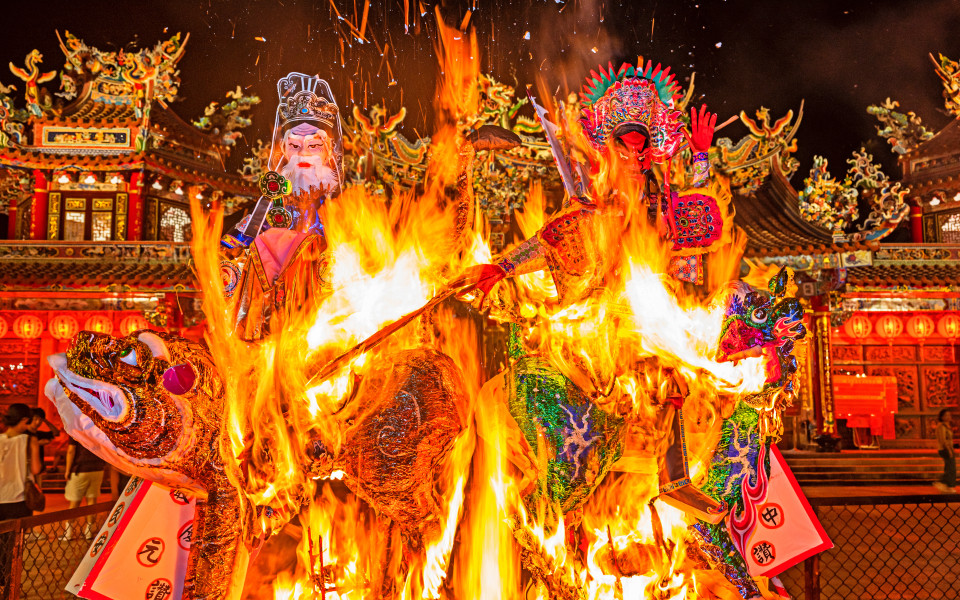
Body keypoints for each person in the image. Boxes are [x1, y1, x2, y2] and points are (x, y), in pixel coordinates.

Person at [0, 404, 40, 598]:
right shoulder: (29, 440)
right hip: (18, 501)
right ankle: (9, 586)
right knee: (14, 547)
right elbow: (36, 468)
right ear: (24, 420)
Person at [62, 437, 106, 540]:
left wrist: (67, 470)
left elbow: (71, 451)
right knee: (91, 501)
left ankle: (68, 533)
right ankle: (89, 532)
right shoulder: (96, 428)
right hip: (97, 469)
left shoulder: (76, 429)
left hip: (80, 469)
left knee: (74, 503)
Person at [26, 406, 58, 489]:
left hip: (39, 468)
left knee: (37, 493)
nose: (38, 422)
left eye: (40, 420)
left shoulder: (39, 434)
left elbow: (56, 433)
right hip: (26, 468)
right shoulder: (24, 433)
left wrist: (46, 421)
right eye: (36, 419)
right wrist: (37, 443)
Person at [934, 408, 956, 493]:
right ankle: (943, 483)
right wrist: (949, 451)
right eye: (946, 415)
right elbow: (943, 440)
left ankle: (947, 485)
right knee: (951, 467)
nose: (948, 417)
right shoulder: (941, 426)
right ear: (941, 417)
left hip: (949, 449)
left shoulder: (946, 426)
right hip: (945, 449)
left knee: (950, 467)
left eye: (949, 415)